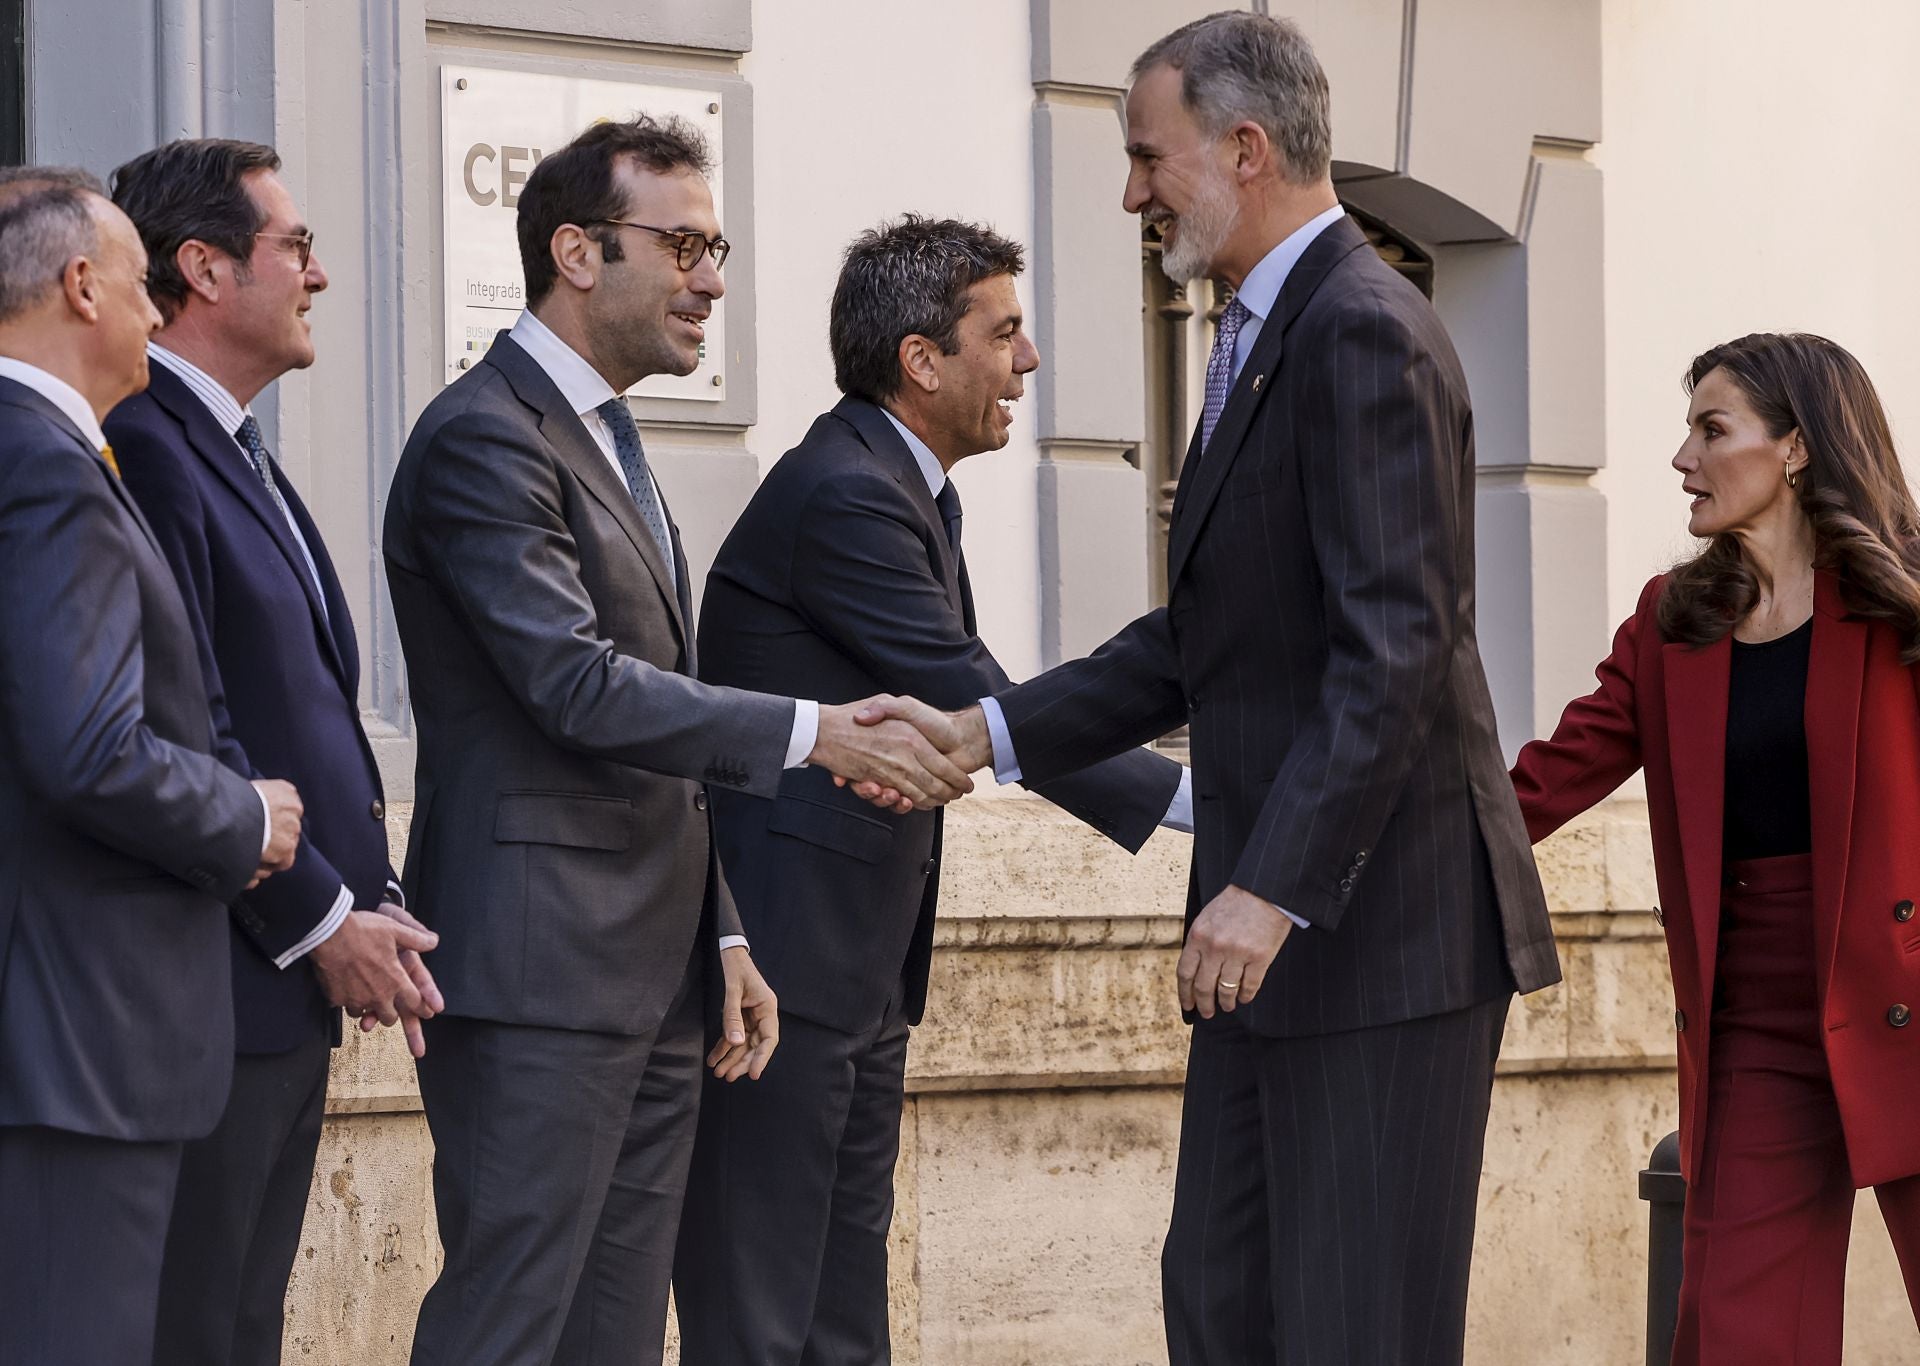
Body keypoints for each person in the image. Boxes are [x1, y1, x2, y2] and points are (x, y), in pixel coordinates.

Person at [867, 14, 1559, 1364]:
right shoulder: (1260, 331)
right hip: (1275, 937)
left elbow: (1396, 647)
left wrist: (1272, 882)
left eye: (1148, 156)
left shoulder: (1363, 329)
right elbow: (1204, 639)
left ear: (1246, 149)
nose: (1131, 193)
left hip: (1374, 939)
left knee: (1353, 1328)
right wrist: (985, 731)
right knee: (1225, 1306)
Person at [384, 115, 972, 1366]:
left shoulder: (613, 435)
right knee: (509, 1327)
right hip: (540, 975)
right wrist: (818, 733)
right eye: (687, 243)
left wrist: (726, 929)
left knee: (614, 1342)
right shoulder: (485, 435)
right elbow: (579, 690)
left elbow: (650, 726)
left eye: (718, 246)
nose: (713, 277)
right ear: (577, 253)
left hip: (656, 977)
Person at [674, 214, 1189, 1364]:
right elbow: (973, 695)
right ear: (921, 358)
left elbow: (963, 716)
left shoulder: (898, 485)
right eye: (1004, 333)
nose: (1029, 361)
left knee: (842, 1319)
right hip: (780, 976)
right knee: (761, 1317)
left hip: (848, 971)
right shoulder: (845, 492)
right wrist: (1195, 804)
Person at [1512, 332, 1920, 1365]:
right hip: (1755, 1029)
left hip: (1910, 1003)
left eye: (1711, 428)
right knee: (1742, 1337)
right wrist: (1341, 858)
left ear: (1794, 447)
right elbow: (1538, 785)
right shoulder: (1670, 625)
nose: (1684, 458)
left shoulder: (1901, 603)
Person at [104, 137, 443, 1366]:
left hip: (293, 986)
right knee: (196, 1329)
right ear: (203, 266)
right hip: (224, 980)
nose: (320, 275)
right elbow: (190, 722)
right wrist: (319, 918)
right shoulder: (142, 440)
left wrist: (374, 901)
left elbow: (311, 715)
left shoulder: (237, 446)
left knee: (242, 1325)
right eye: (294, 246)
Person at [0, 166, 304, 1366]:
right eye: (138, 286)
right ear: (81, 287)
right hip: (76, 1045)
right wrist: (245, 815)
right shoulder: (44, 467)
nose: (153, 312)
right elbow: (85, 749)